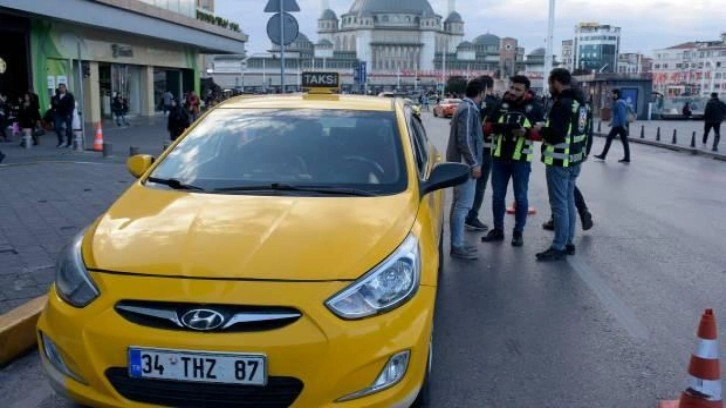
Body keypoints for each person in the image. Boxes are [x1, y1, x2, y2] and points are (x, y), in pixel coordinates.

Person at [480, 75, 544, 247]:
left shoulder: (535, 107)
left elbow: (543, 133)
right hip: (499, 157)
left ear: (526, 91)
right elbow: (485, 128)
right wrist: (500, 128)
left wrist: (527, 133)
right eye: (512, 88)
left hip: (521, 160)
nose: (513, 92)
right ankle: (498, 230)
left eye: (518, 89)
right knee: (497, 197)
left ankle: (518, 233)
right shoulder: (500, 104)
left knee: (521, 197)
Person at [533, 68, 588, 261]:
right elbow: (584, 134)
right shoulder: (580, 104)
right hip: (574, 160)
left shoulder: (562, 104)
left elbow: (556, 134)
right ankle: (568, 242)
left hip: (559, 160)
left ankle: (559, 245)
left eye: (550, 84)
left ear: (556, 82)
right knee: (569, 203)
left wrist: (541, 129)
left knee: (559, 205)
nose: (549, 88)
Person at [446, 77, 487, 260]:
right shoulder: (469, 109)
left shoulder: (465, 107)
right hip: (465, 165)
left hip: (461, 163)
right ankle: (457, 246)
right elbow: (465, 140)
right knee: (462, 206)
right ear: (481, 93)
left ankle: (458, 243)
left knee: (458, 205)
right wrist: (474, 164)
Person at [542, 93, 594, 232]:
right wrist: (586, 151)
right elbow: (588, 131)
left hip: (561, 156)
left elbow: (556, 133)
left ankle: (561, 240)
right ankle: (580, 213)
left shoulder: (565, 104)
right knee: (568, 193)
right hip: (575, 155)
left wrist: (542, 131)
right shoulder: (584, 106)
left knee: (561, 197)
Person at [465, 75, 497, 232]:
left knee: (469, 184)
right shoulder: (494, 104)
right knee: (480, 185)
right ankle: (472, 216)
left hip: (470, 150)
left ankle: (465, 213)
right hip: (486, 149)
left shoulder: (471, 105)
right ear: (488, 88)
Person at [594, 89, 631, 163]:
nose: (612, 95)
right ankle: (627, 157)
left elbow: (621, 114)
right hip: (618, 125)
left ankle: (603, 155)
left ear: (616, 94)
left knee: (609, 139)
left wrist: (623, 124)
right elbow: (617, 115)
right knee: (624, 141)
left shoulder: (620, 103)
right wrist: (612, 122)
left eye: (613, 94)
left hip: (619, 125)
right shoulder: (619, 102)